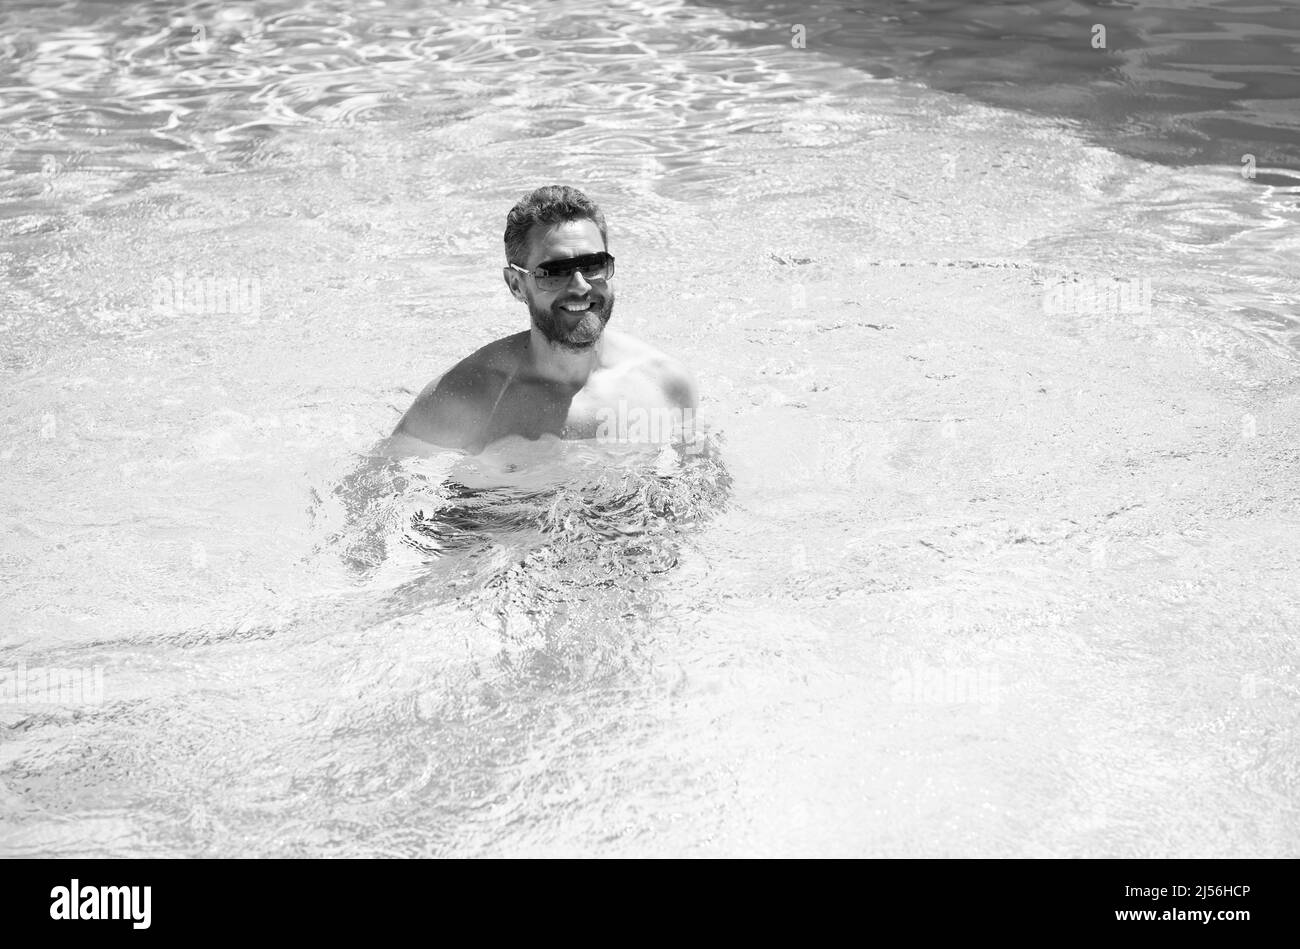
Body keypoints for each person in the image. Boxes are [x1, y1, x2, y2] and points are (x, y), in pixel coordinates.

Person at [386, 185, 697, 456]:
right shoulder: (468, 399)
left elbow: (705, 485)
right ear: (516, 285)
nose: (580, 286)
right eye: (555, 272)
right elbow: (378, 483)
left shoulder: (664, 385)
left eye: (593, 265)